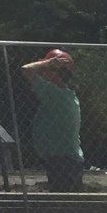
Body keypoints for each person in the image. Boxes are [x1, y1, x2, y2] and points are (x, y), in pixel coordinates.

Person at [21, 50, 84, 192]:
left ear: (55, 73)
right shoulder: (64, 95)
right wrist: (48, 65)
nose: (41, 73)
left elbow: (26, 70)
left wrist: (48, 63)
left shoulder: (55, 94)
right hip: (65, 161)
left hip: (63, 162)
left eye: (45, 70)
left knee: (62, 201)